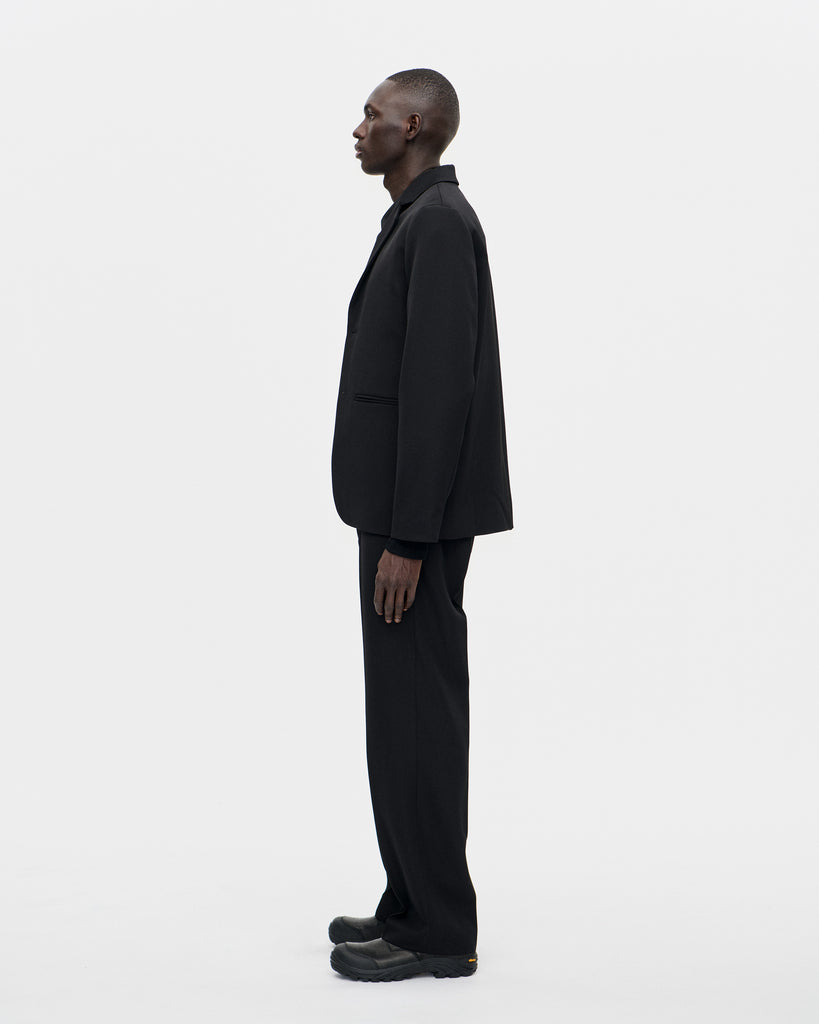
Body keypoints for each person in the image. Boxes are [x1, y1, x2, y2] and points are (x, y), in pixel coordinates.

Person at [328, 68, 513, 982]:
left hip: (414, 526)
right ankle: (408, 902)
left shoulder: (437, 223)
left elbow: (440, 393)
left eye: (371, 114)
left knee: (418, 721)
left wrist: (407, 539)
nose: (356, 127)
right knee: (398, 718)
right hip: (399, 512)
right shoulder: (414, 218)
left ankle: (439, 931)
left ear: (412, 125)